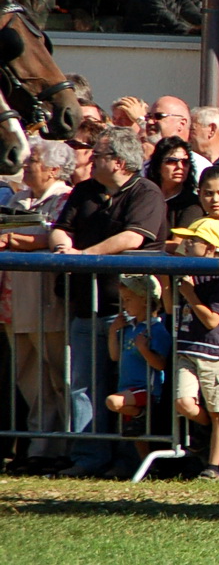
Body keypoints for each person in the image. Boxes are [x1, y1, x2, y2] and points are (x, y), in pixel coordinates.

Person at [49, 128, 169, 478]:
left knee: (129, 387)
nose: (88, 159)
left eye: (97, 154)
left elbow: (133, 236)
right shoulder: (85, 191)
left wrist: (84, 256)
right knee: (84, 385)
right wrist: (62, 248)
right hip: (86, 306)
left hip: (132, 313)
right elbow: (61, 227)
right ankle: (88, 458)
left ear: (118, 162)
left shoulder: (147, 193)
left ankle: (130, 461)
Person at [0, 138, 75, 473]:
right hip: (14, 301)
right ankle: (37, 448)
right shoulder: (18, 197)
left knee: (58, 376)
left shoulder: (64, 198)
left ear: (54, 169)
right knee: (29, 378)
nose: (27, 165)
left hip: (48, 302)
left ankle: (62, 448)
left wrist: (15, 240)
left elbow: (54, 236)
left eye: (34, 161)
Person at [166, 219, 219, 479]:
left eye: (193, 240)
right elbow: (168, 308)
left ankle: (214, 466)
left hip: (213, 353)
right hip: (187, 348)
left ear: (210, 248)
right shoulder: (186, 274)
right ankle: (204, 431)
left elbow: (212, 321)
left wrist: (191, 294)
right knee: (183, 402)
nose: (186, 244)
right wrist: (168, 284)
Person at [103, 275, 170, 455]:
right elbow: (115, 356)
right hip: (126, 387)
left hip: (145, 389)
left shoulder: (156, 329)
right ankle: (150, 471)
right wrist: (112, 331)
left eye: (128, 300)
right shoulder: (128, 327)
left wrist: (144, 349)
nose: (124, 305)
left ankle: (140, 415)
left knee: (113, 402)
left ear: (145, 301)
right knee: (137, 438)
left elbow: (161, 364)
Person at [144, 96, 212, 175]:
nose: (150, 122)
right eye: (149, 117)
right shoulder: (144, 167)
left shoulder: (200, 168)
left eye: (158, 116)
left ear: (181, 124)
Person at [146, 136, 202, 228]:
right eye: (172, 161)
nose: (180, 166)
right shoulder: (145, 198)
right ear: (158, 166)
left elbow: (178, 241)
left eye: (185, 162)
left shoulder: (192, 204)